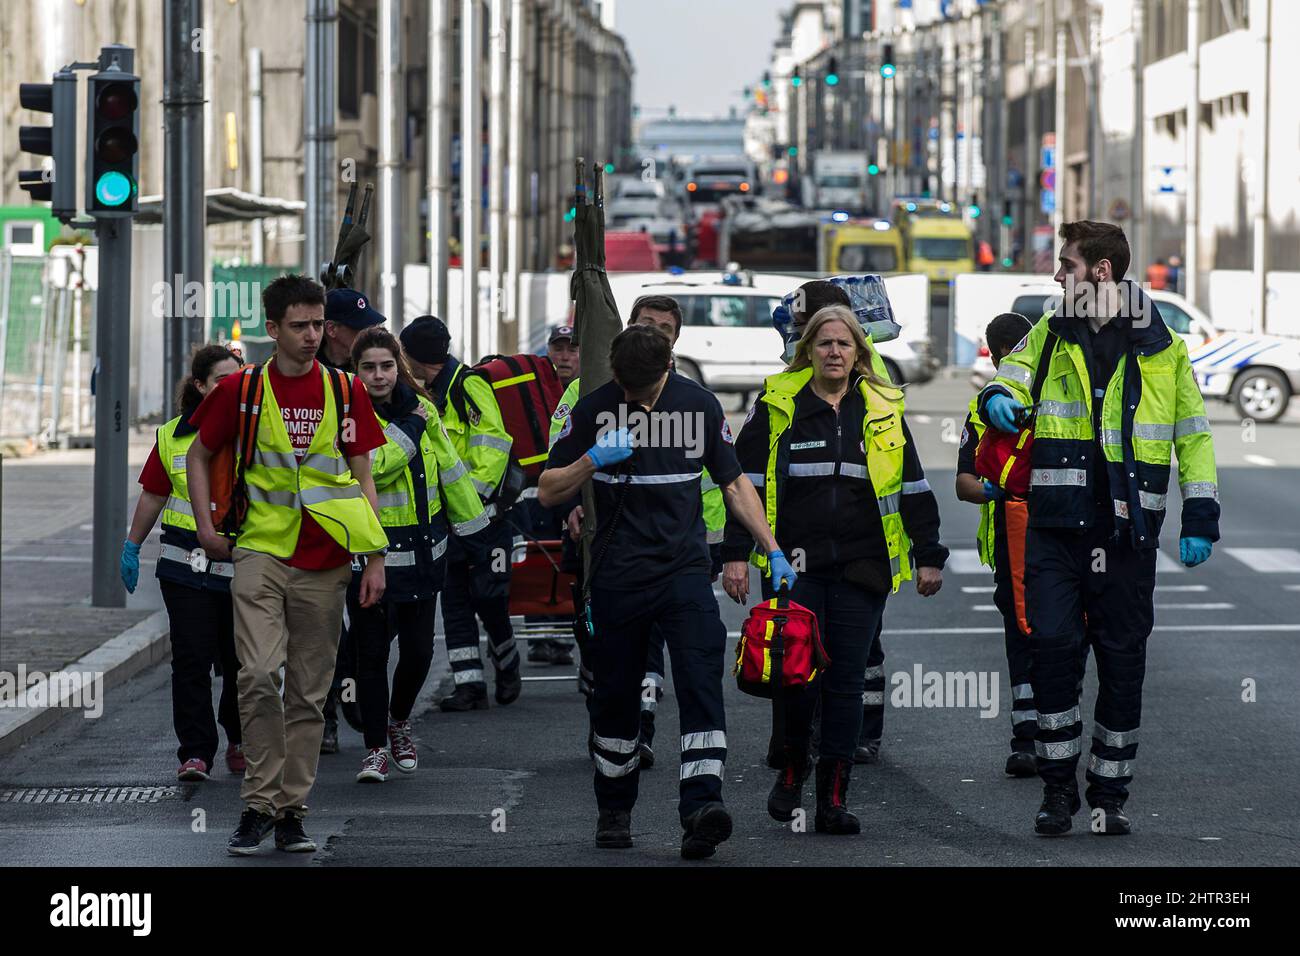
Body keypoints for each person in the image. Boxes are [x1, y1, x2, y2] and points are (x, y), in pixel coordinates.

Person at [980, 221, 1219, 836]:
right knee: (1054, 652)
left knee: (1122, 663)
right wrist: (996, 400)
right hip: (1057, 528)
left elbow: (1192, 436)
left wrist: (1200, 517)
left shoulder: (1164, 348)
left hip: (1127, 534)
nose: (1058, 276)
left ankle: (1110, 795)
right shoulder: (1052, 332)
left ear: (1102, 273)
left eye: (1067, 265)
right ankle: (1058, 793)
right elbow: (1011, 372)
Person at [540, 323, 794, 859]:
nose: (636, 401)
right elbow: (546, 490)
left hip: (683, 574)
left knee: (702, 685)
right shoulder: (592, 408)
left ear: (668, 368)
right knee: (615, 699)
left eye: (646, 392)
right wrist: (591, 461)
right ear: (613, 372)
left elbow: (733, 483)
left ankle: (702, 808)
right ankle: (614, 809)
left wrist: (769, 547)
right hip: (617, 578)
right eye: (628, 391)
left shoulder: (698, 406)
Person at [186, 274, 390, 856]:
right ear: (271, 329)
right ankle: (257, 804)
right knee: (254, 675)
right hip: (258, 550)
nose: (312, 336)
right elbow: (199, 455)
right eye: (297, 326)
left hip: (327, 559)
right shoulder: (242, 390)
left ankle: (290, 811)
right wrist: (206, 526)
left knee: (307, 692)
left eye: (318, 324)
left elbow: (362, 475)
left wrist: (374, 555)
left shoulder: (345, 390)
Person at [723, 304, 947, 835]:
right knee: (798, 679)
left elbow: (912, 485)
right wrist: (735, 552)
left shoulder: (881, 409)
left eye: (844, 344)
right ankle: (793, 772)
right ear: (808, 350)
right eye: (824, 343)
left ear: (859, 354)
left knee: (846, 684)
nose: (834, 351)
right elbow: (742, 485)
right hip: (794, 570)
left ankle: (834, 798)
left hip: (863, 570)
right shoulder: (779, 407)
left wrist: (929, 554)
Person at [550, 296, 729, 768]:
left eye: (664, 328)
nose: (655, 333)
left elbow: (729, 482)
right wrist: (580, 484)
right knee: (615, 681)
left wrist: (756, 548)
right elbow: (553, 474)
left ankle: (701, 795)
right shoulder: (589, 399)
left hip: (683, 557)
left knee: (698, 674)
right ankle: (617, 778)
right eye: (646, 324)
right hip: (614, 560)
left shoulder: (696, 404)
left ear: (673, 346)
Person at [348, 327, 490, 782]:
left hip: (427, 555)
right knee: (370, 656)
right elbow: (376, 466)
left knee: (419, 654)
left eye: (386, 365)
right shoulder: (348, 415)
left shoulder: (423, 408)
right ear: (355, 371)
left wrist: (475, 531)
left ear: (399, 366)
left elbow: (450, 469)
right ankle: (373, 750)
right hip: (372, 557)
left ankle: (398, 722)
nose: (378, 375)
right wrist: (410, 428)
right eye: (368, 367)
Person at [765, 278, 894, 765]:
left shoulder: (849, 370)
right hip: (814, 548)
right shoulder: (833, 354)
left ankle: (848, 737)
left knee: (845, 653)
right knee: (820, 648)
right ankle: (826, 739)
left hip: (856, 545)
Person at [121, 344, 244, 782]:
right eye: (220, 382)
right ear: (199, 386)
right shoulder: (173, 434)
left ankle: (239, 738)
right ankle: (195, 752)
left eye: (237, 379)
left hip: (241, 565)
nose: (229, 388)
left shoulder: (254, 431)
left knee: (242, 662)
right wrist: (132, 544)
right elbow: (154, 493)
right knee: (191, 660)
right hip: (184, 566)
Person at [400, 315, 522, 711]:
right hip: (448, 520)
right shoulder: (430, 392)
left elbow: (494, 446)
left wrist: (472, 502)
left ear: (418, 357)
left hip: (484, 519)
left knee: (490, 599)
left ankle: (507, 665)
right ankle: (470, 686)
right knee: (453, 601)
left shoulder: (467, 385)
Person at [955, 312, 1039, 777]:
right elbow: (965, 484)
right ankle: (1029, 734)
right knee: (1025, 633)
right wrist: (1002, 492)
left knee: (1047, 636)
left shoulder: (1055, 399)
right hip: (1012, 540)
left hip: (1046, 535)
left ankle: (1043, 731)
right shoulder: (986, 408)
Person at [314, 289, 386, 753]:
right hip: (307, 524)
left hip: (356, 519)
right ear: (334, 332)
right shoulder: (302, 376)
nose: (370, 338)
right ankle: (323, 718)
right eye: (361, 331)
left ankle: (354, 698)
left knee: (364, 623)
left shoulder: (362, 377)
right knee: (318, 629)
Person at [523, 324, 581, 666]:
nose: (564, 355)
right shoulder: (537, 388)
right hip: (538, 491)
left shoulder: (587, 390)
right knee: (539, 561)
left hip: (573, 490)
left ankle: (562, 638)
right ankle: (539, 638)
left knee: (567, 564)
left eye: (571, 349)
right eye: (558, 348)